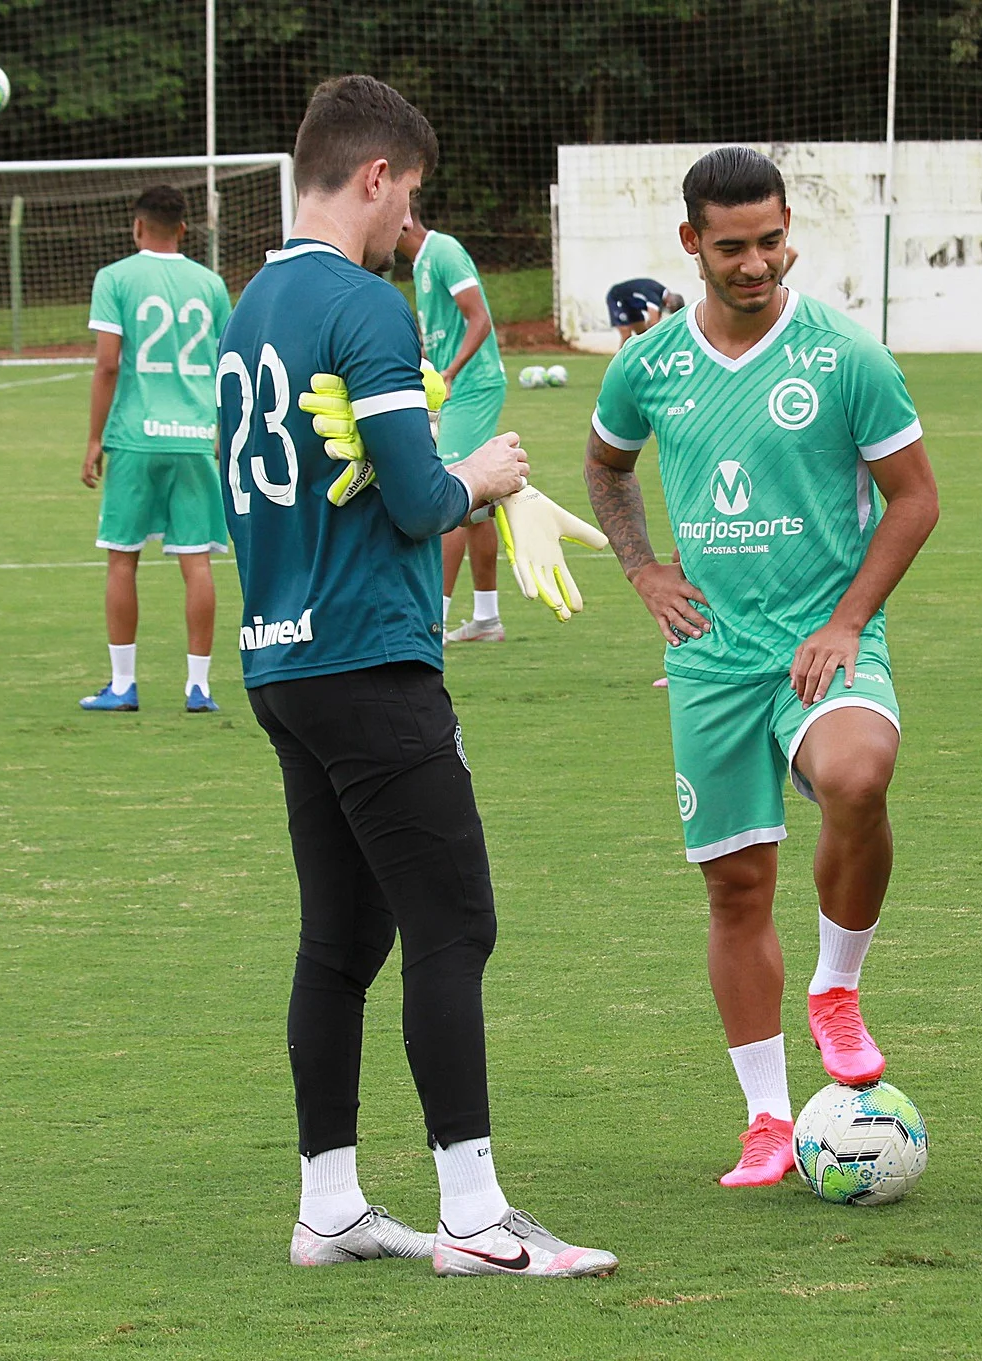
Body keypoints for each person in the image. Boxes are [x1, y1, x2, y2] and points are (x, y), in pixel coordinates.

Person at [216, 74, 613, 1278]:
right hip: (369, 656)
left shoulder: (250, 307)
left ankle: (328, 1206)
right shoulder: (365, 305)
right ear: (375, 175)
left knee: (341, 935)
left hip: (280, 656)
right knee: (456, 922)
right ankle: (475, 1218)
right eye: (411, 199)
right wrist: (483, 476)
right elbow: (415, 494)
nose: (411, 228)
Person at [584, 147, 938, 1189]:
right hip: (708, 659)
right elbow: (606, 466)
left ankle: (837, 987)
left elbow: (914, 498)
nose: (756, 263)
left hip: (823, 638)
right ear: (691, 243)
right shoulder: (647, 364)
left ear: (790, 232)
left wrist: (845, 620)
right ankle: (767, 1119)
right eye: (731, 246)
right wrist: (643, 567)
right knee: (737, 886)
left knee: (856, 775)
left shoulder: (842, 354)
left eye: (771, 240)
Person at [79, 186, 232, 713]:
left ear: (137, 226)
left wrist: (95, 439)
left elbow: (107, 364)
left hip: (136, 437)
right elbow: (225, 366)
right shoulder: (210, 283)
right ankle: (199, 687)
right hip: (194, 438)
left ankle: (123, 685)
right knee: (197, 563)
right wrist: (221, 430)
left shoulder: (115, 278)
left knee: (122, 559)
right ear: (184, 229)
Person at [400, 214, 508, 642]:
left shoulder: (442, 251)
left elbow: (480, 318)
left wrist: (449, 372)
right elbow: (442, 333)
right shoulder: (422, 261)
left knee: (448, 494)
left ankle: (433, 621)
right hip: (455, 388)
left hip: (471, 387)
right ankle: (486, 618)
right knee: (477, 505)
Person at [605, 277, 684, 345]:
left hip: (632, 305)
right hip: (617, 298)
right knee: (626, 333)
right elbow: (654, 323)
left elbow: (653, 324)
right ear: (668, 304)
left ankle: (640, 357)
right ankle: (620, 361)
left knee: (642, 334)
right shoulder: (654, 297)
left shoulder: (662, 295)